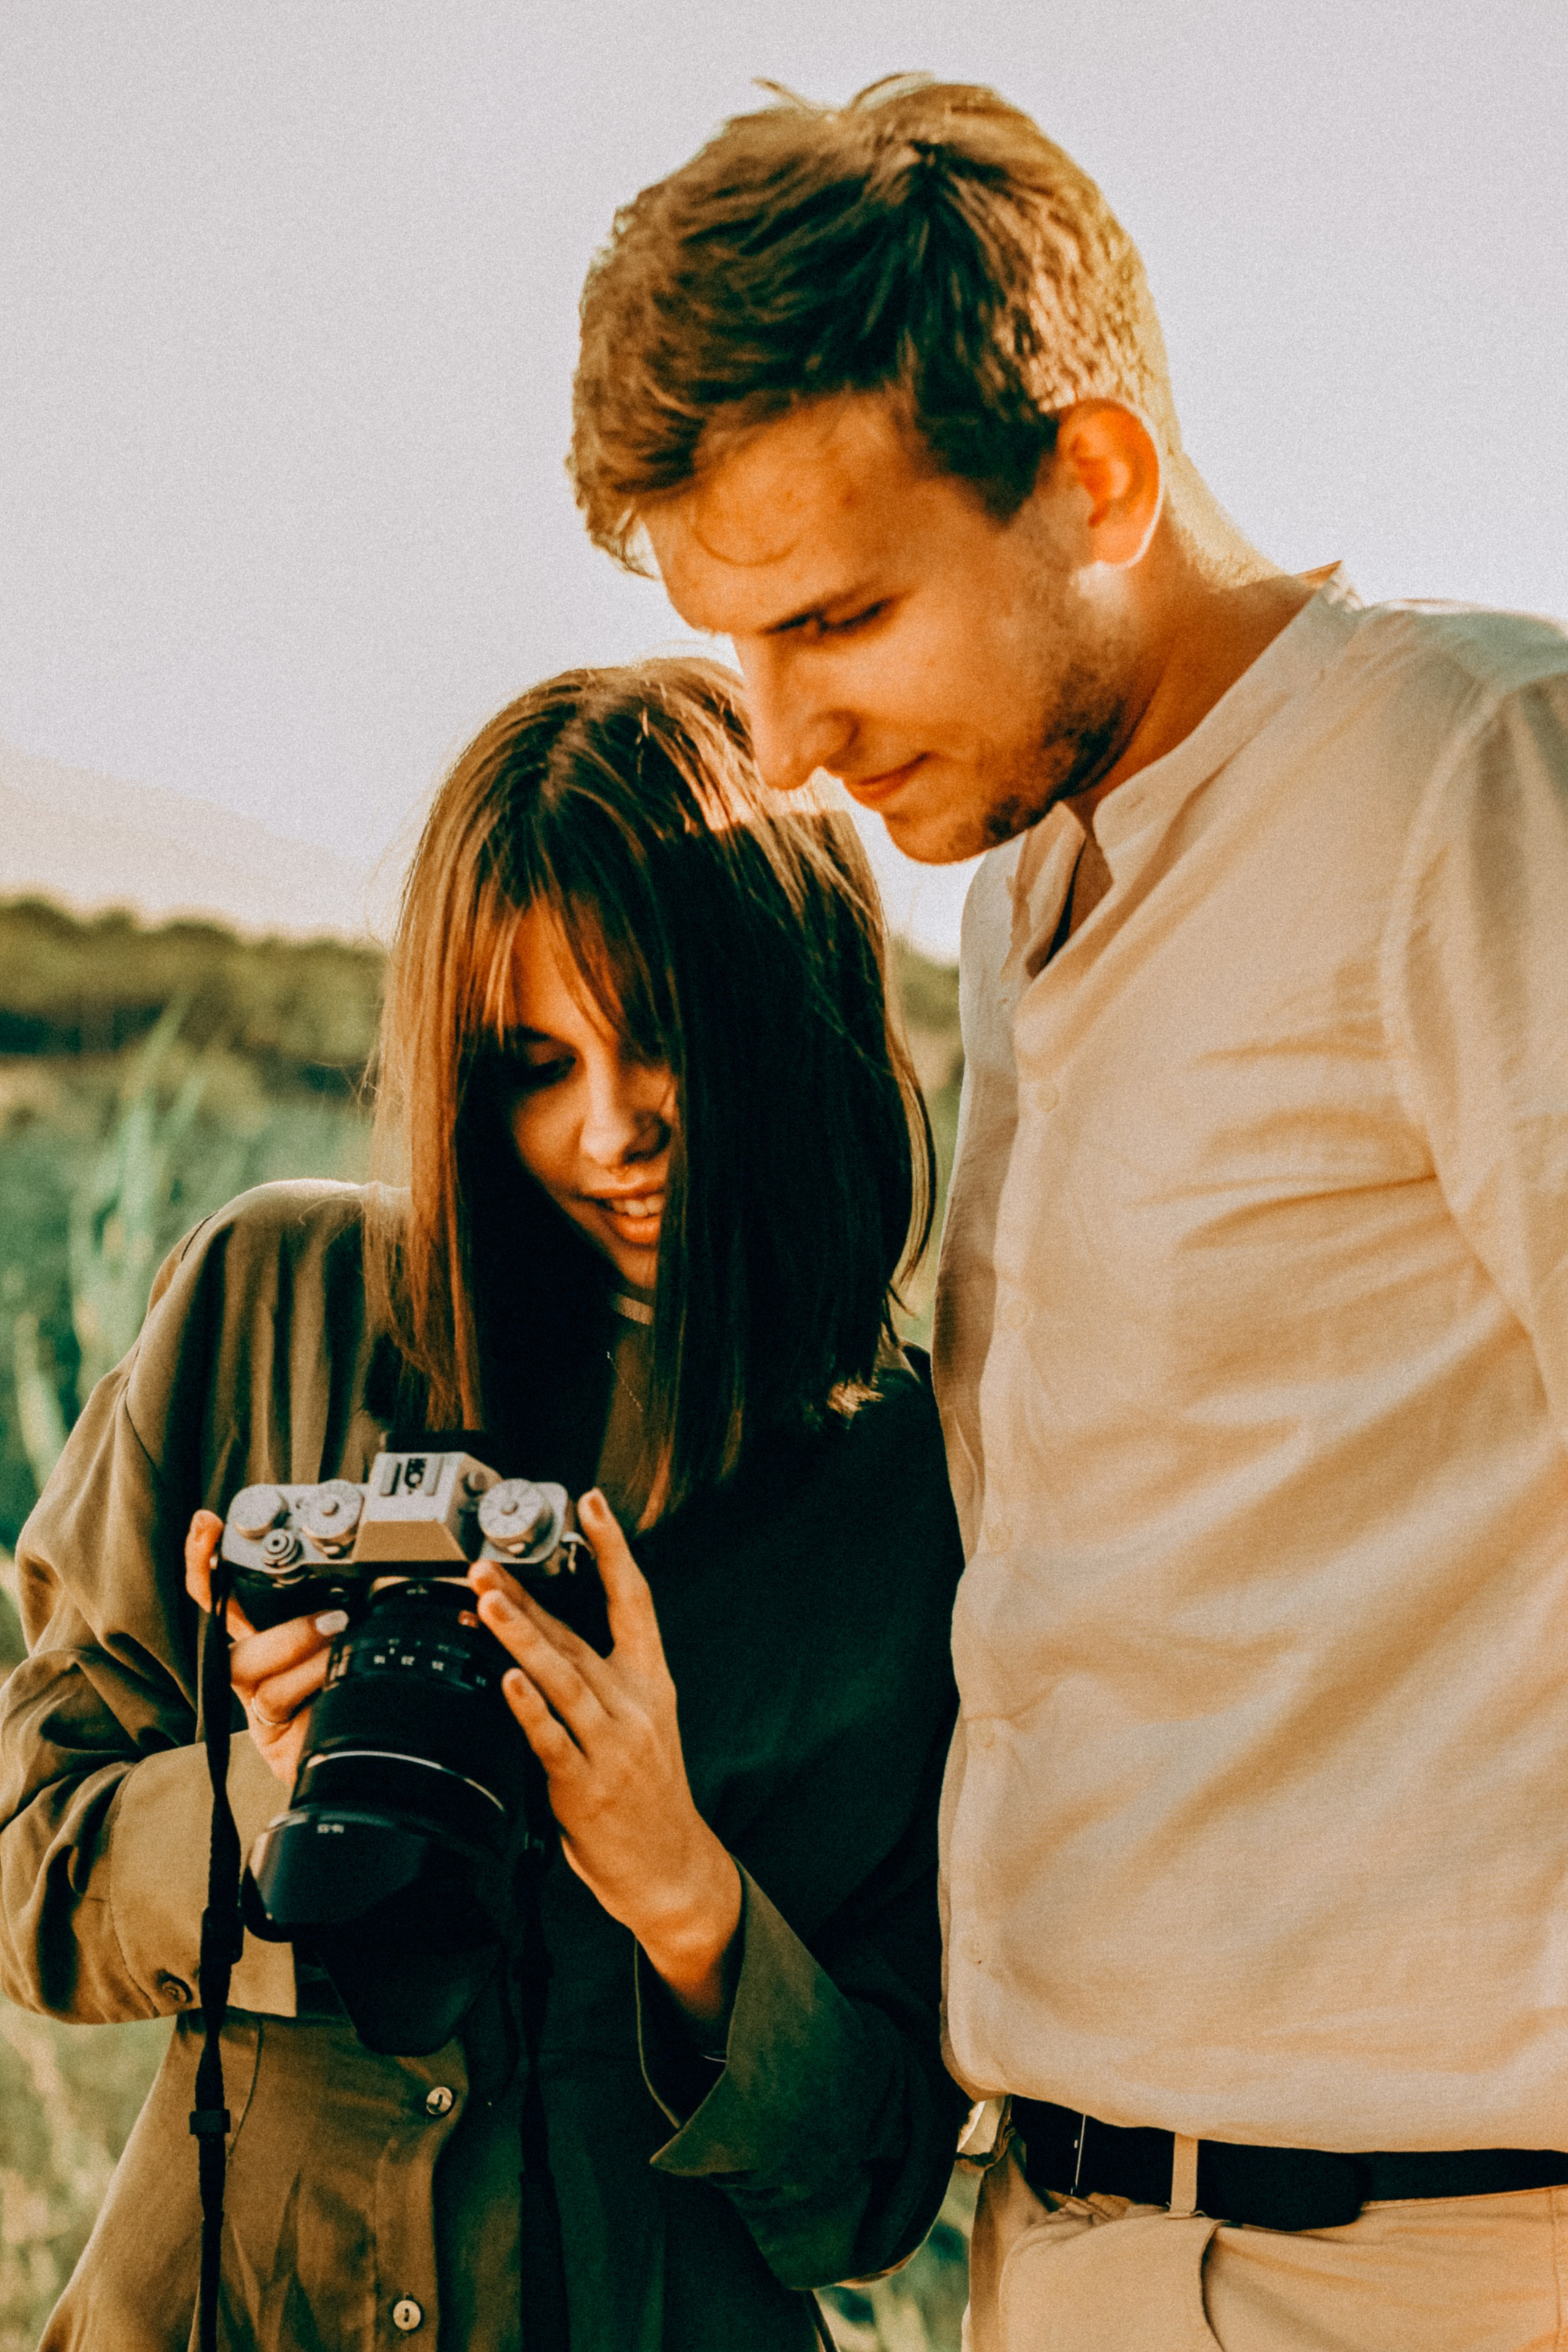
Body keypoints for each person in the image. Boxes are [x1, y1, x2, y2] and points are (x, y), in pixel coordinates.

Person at [565, 76, 1568, 2352]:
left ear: (1095, 480)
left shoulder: (1474, 776)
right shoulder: (1027, 889)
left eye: (841, 616)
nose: (788, 737)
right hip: (1077, 2254)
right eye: (740, 646)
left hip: (1435, 2264)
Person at [0, 658, 970, 2351]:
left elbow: (869, 2197)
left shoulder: (909, 1486)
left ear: (794, 1017)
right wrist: (259, 1796)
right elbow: (24, 1865)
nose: (611, 1129)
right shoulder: (269, 1300)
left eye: (663, 1040)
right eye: (530, 1060)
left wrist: (687, 1894)